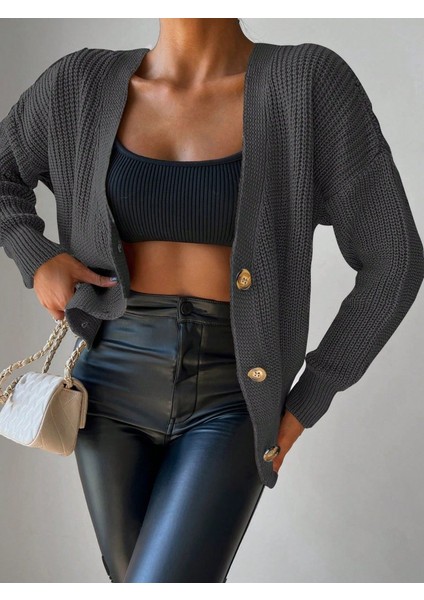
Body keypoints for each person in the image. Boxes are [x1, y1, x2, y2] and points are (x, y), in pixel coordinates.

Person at [1, 19, 423, 583]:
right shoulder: (79, 82)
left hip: (234, 390)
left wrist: (310, 398)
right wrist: (36, 256)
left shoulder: (308, 82)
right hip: (107, 387)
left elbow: (395, 258)